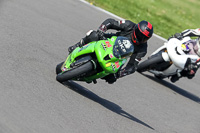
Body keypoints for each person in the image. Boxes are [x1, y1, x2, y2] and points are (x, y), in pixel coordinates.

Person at [68, 18, 153, 84]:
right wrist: (102, 30)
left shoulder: (142, 49)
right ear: (136, 29)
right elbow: (111, 22)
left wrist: (120, 74)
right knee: (94, 35)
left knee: (111, 78)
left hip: (118, 58)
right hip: (110, 41)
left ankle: (92, 75)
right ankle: (78, 45)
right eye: (139, 35)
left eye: (144, 38)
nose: (141, 39)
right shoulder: (129, 25)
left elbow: (132, 67)